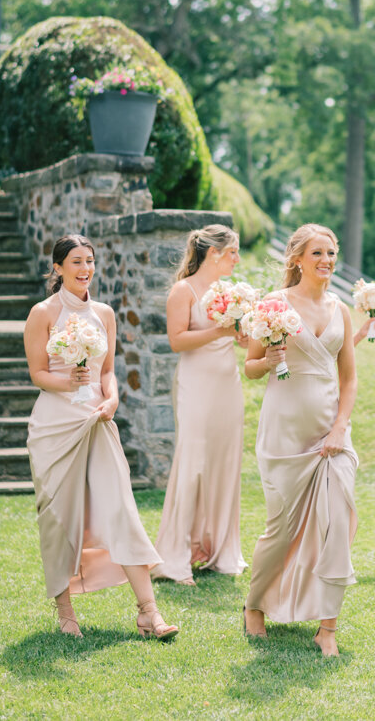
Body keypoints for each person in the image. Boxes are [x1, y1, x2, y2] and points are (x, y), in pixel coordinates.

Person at [24, 234, 177, 639]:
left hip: (97, 421)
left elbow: (107, 370)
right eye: (76, 261)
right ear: (58, 268)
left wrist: (112, 399)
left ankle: (149, 613)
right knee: (58, 517)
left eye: (89, 261)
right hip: (55, 426)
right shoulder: (42, 313)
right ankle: (65, 612)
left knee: (121, 509)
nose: (85, 269)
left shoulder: (105, 313)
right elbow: (37, 373)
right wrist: (67, 381)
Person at [243, 223, 358, 656]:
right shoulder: (274, 304)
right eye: (317, 253)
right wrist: (268, 359)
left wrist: (340, 427)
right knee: (281, 528)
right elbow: (251, 367)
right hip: (284, 431)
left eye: (331, 253)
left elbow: (349, 379)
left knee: (339, 522)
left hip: (331, 432)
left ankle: (327, 627)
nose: (326, 260)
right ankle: (255, 605)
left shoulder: (341, 309)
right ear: (297, 259)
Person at [151, 225, 247, 583]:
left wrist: (245, 333)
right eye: (233, 252)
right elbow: (177, 340)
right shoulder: (184, 290)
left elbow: (238, 339)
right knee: (193, 462)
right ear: (214, 253)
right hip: (195, 383)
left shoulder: (231, 292)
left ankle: (217, 549)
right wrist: (221, 330)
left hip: (227, 383)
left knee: (225, 462)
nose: (237, 259)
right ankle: (174, 556)